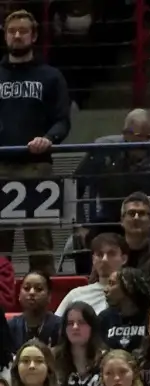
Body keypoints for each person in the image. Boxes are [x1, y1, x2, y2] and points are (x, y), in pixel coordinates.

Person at [0, 9, 70, 276]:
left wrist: (48, 138)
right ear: (5, 35)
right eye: (12, 31)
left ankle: (45, 298)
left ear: (34, 36)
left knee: (40, 245)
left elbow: (62, 120)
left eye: (23, 31)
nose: (17, 36)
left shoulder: (50, 76)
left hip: (37, 167)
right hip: (0, 166)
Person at [10, 271, 61, 350]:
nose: (32, 292)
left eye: (39, 289)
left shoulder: (60, 326)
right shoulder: (10, 327)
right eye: (26, 288)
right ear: (19, 295)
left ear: (49, 296)